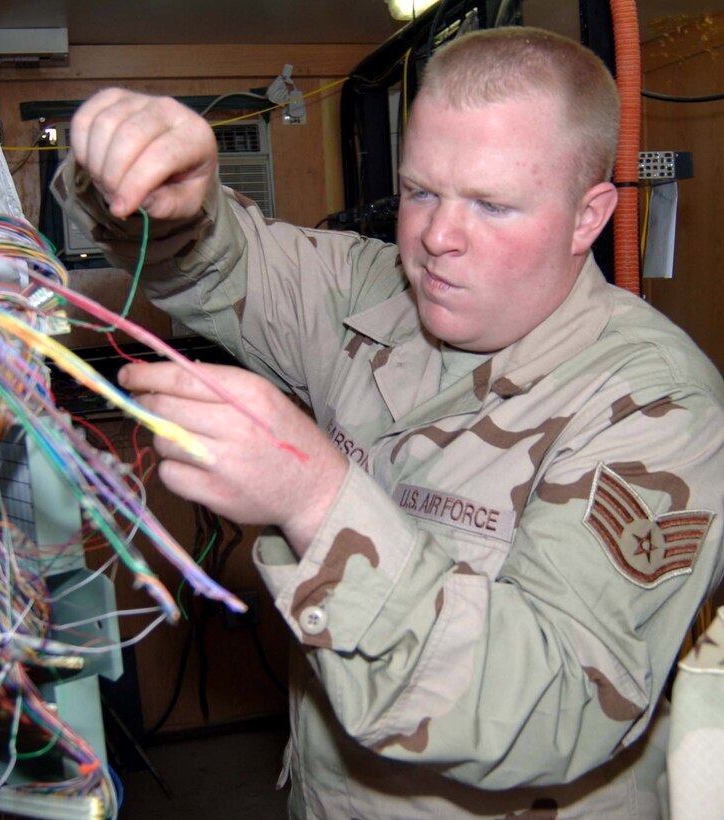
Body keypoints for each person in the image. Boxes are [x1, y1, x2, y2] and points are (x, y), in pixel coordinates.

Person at [54, 26, 724, 818]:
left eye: (493, 204)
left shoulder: (656, 405)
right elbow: (218, 259)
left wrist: (315, 497)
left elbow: (556, 708)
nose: (437, 238)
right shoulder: (372, 291)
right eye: (422, 192)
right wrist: (154, 181)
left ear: (588, 218)